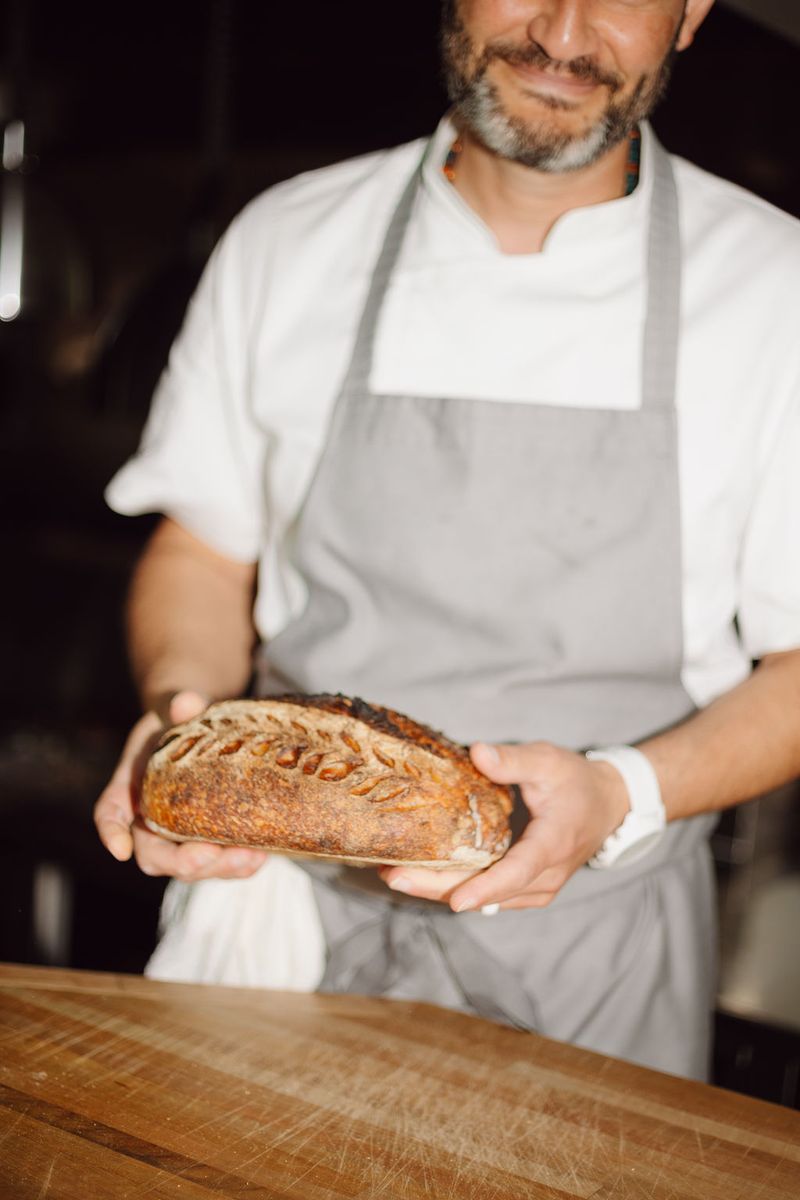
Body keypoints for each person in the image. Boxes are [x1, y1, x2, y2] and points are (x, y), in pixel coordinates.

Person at [95, 0, 800, 1081]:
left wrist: (621, 793)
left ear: (692, 11)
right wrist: (177, 723)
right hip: (280, 926)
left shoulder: (770, 288)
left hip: (594, 962)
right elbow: (201, 554)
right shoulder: (288, 241)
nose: (564, 31)